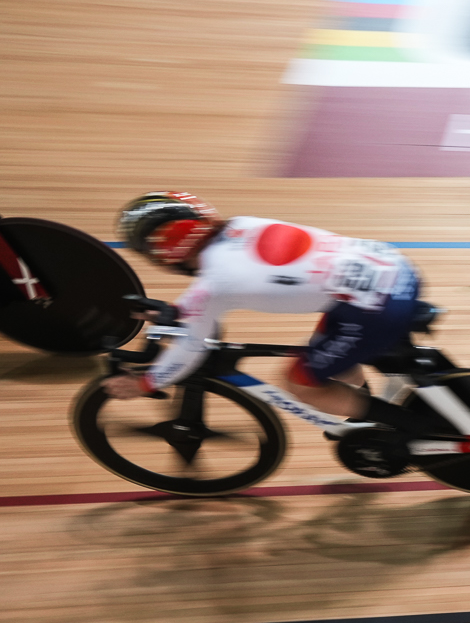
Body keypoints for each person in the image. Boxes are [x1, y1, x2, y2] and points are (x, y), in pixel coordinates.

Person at [101, 193, 442, 467]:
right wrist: (178, 311)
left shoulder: (215, 284)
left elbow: (192, 347)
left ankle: (412, 426)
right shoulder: (241, 226)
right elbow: (223, 289)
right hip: (392, 269)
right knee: (322, 346)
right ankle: (361, 412)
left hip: (372, 308)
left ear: (163, 252)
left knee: (299, 380)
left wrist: (144, 383)